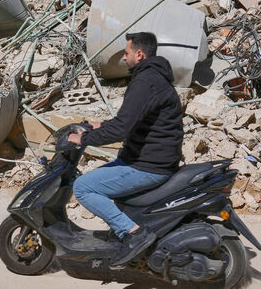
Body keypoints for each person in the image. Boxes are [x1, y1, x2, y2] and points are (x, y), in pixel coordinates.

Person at [68, 31, 183, 266]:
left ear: (139, 54)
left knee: (83, 187)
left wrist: (84, 139)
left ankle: (133, 233)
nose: (124, 57)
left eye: (127, 53)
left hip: (148, 165)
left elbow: (122, 129)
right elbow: (133, 119)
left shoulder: (144, 81)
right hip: (149, 159)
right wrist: (101, 125)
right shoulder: (153, 77)